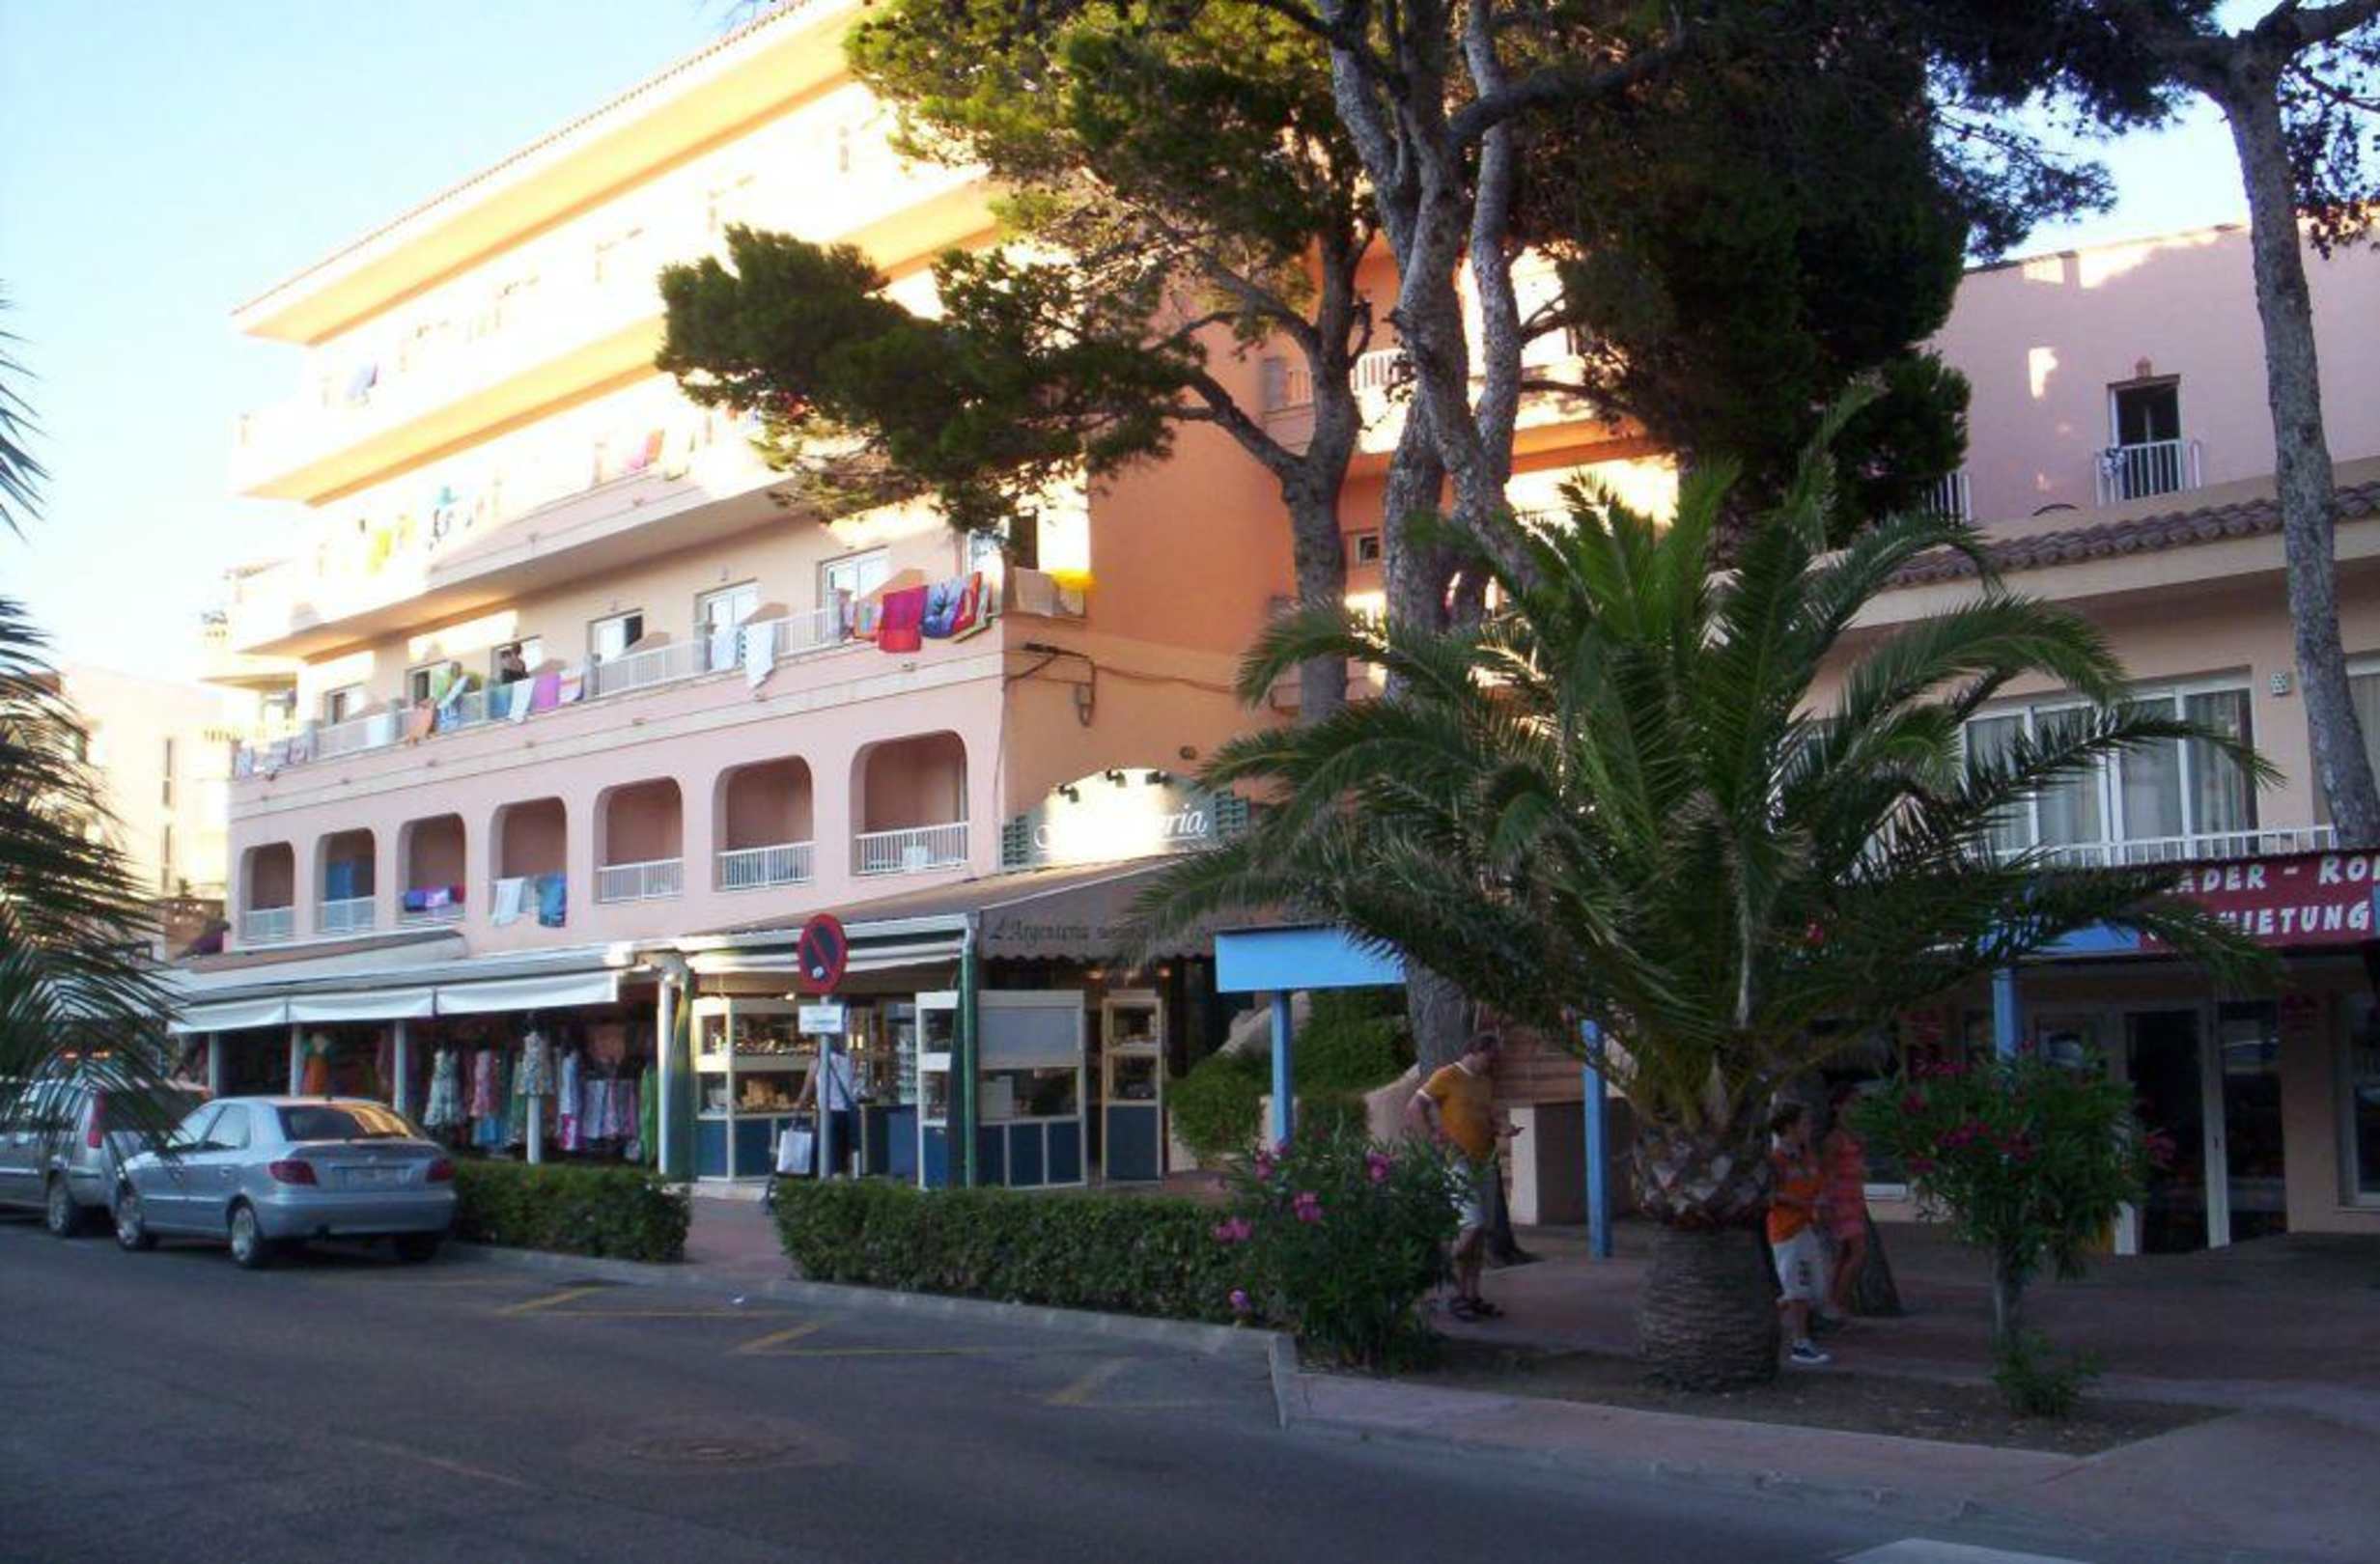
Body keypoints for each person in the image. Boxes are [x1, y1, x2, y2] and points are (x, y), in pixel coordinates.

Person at [1407, 1031, 1514, 1323]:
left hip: (1484, 1159)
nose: (1493, 1062)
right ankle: (1447, 1280)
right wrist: (1434, 1140)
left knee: (1480, 1234)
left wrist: (1501, 1128)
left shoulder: (1485, 1082)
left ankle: (1471, 1294)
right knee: (1471, 1224)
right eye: (1491, 1056)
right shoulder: (1448, 1076)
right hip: (1457, 1161)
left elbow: (1486, 1116)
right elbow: (1415, 1106)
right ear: (1477, 1051)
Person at [1767, 1102, 1834, 1366]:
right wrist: (1801, 1203)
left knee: (1813, 1287)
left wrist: (1820, 1201)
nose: (1809, 1128)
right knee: (1797, 1288)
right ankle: (1800, 1343)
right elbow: (1771, 1194)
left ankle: (1767, 1317)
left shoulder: (1807, 1157)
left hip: (1805, 1227)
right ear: (1788, 1127)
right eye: (1804, 1123)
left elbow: (1817, 1183)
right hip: (1786, 1230)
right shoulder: (1777, 1160)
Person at [1821, 1085, 1872, 1323]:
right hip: (1841, 1200)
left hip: (1854, 1197)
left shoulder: (1854, 1134)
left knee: (1846, 1253)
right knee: (1858, 1252)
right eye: (1851, 1103)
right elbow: (1827, 1172)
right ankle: (1836, 1303)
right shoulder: (1835, 1138)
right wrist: (1826, 1202)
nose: (1856, 1108)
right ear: (1837, 1107)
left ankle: (1836, 1302)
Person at [793, 1036, 858, 1179]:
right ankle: (842, 1181)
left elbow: (807, 1089)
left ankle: (828, 1183)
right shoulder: (847, 1061)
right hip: (847, 1113)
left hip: (828, 1113)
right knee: (842, 1157)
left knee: (828, 1156)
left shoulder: (817, 1063)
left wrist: (798, 1107)